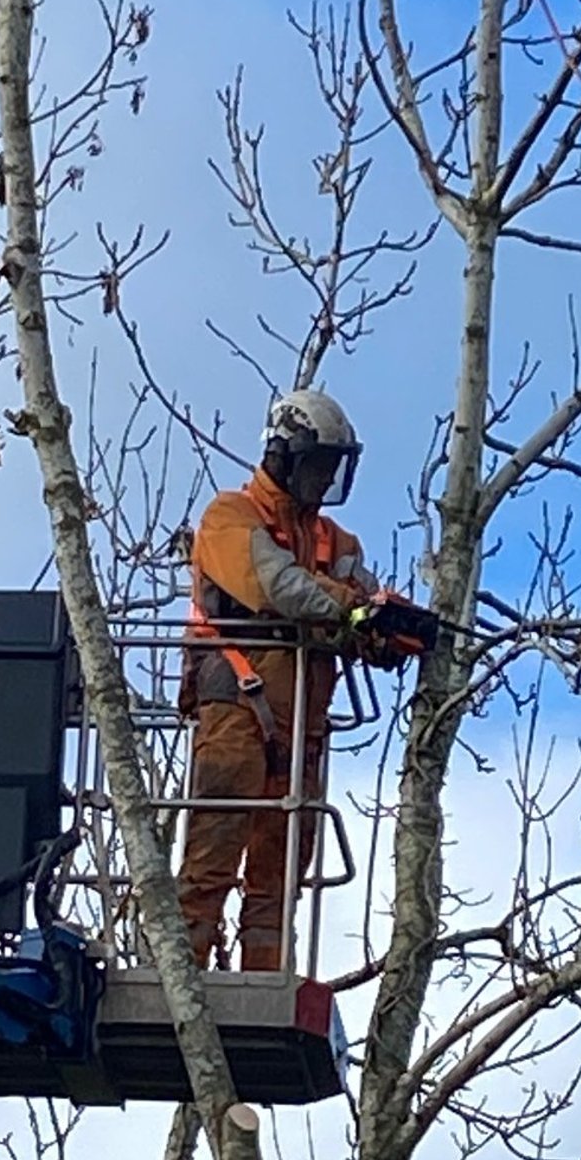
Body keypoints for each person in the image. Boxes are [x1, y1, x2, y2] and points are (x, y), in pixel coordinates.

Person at [175, 388, 384, 974]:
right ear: (285, 455)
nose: (325, 479)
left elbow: (367, 601)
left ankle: (264, 981)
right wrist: (351, 610)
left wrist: (391, 626)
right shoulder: (229, 518)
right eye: (317, 465)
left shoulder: (337, 543)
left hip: (303, 736)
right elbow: (276, 585)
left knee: (280, 876)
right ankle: (177, 982)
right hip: (236, 715)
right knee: (210, 860)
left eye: (332, 468)